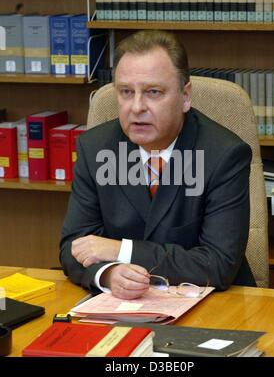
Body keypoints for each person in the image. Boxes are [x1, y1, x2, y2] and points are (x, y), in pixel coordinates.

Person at [60, 30, 256, 300]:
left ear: (185, 97)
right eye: (126, 92)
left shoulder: (224, 155)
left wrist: (121, 251)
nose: (137, 107)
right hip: (122, 306)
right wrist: (108, 273)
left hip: (213, 305)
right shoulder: (95, 148)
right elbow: (74, 246)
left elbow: (217, 264)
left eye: (153, 92)